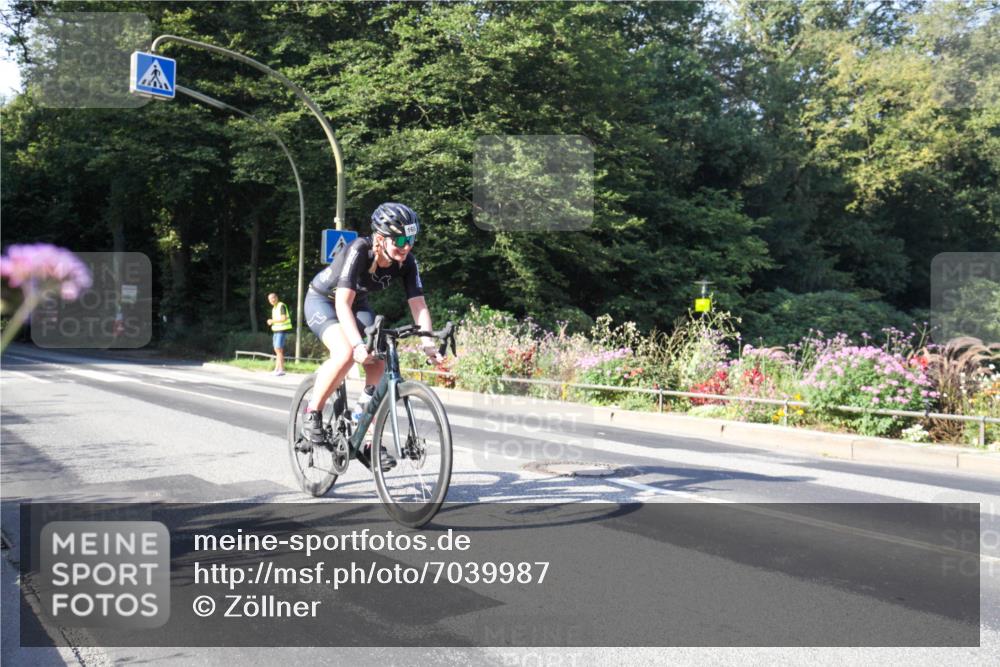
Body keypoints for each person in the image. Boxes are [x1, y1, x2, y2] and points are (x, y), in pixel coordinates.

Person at [301, 202, 442, 470]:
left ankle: (363, 434)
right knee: (344, 353)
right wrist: (356, 344)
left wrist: (428, 343)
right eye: (400, 239)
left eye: (411, 238)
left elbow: (418, 304)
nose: (407, 245)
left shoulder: (407, 261)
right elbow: (342, 303)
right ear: (380, 238)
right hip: (325, 301)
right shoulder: (359, 250)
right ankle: (313, 412)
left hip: (357, 303)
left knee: (379, 360)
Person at [267, 292, 292, 376]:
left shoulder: (281, 305)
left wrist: (272, 321)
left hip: (282, 330)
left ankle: (281, 369)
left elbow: (283, 318)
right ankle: (277, 369)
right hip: (276, 330)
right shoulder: (274, 308)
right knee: (277, 350)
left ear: (276, 298)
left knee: (279, 349)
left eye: (272, 298)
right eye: (270, 299)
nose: (271, 300)